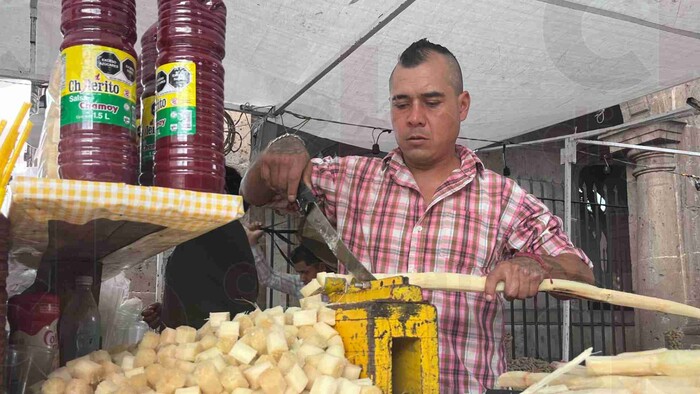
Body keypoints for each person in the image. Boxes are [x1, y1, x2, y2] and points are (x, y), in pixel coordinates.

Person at [241, 38, 595, 392]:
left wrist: (539, 266)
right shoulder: (350, 180)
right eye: (401, 103)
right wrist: (280, 149)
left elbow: (582, 276)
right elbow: (254, 193)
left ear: (463, 105)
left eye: (432, 102)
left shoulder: (504, 199)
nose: (414, 118)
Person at [142, 167, 259, 330]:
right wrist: (166, 311)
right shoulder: (207, 233)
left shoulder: (219, 231)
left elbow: (222, 310)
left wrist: (172, 317)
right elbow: (203, 291)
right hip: (192, 343)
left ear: (219, 192)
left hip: (203, 348)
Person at [246, 221, 331, 297]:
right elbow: (269, 278)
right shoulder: (301, 285)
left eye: (305, 272)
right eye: (299, 273)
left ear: (321, 267)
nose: (302, 278)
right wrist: (252, 244)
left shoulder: (342, 283)